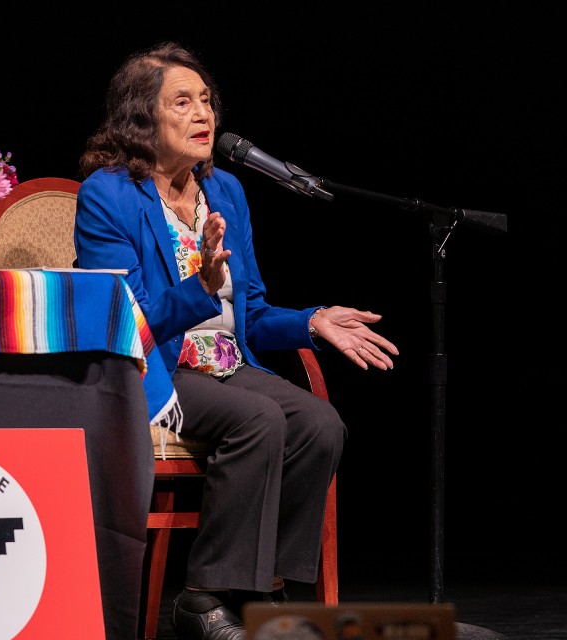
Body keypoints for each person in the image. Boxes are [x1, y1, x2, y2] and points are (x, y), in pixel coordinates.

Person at [74, 41, 399, 640]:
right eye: (182, 102)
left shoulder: (224, 191)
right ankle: (201, 600)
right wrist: (200, 287)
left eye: (206, 102)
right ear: (143, 119)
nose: (203, 115)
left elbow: (247, 312)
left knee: (320, 424)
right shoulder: (108, 196)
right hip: (156, 371)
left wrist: (311, 321)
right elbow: (128, 320)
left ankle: (264, 592)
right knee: (258, 420)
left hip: (226, 363)